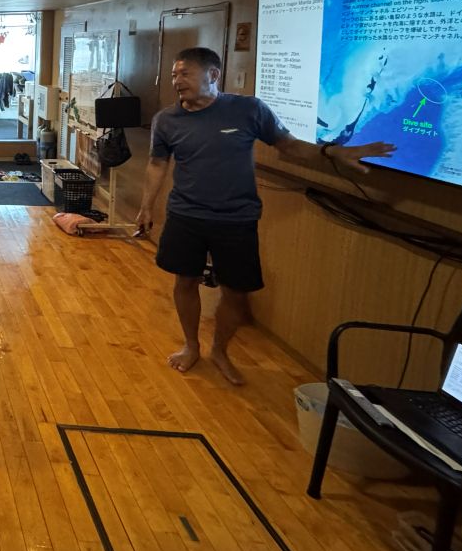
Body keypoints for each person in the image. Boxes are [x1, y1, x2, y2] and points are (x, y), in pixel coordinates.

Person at [136, 47, 395, 385]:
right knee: (184, 282)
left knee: (237, 293)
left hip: (237, 219)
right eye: (174, 75)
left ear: (213, 75)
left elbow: (290, 145)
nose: (177, 81)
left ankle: (220, 350)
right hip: (186, 215)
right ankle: (191, 345)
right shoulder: (166, 120)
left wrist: (331, 151)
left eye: (185, 73)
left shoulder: (249, 110)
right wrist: (146, 206)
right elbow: (157, 164)